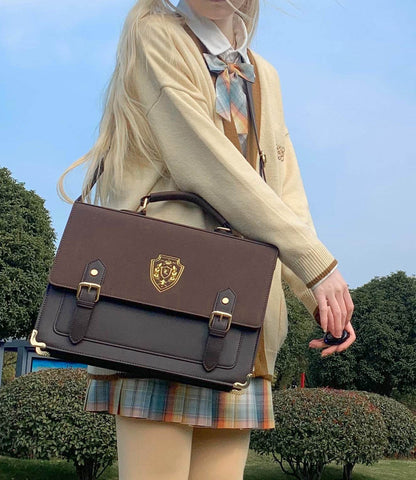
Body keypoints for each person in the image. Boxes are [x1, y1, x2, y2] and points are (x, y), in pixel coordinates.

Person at [57, 1, 356, 479]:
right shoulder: (157, 34)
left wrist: (315, 289)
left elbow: (284, 191)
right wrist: (314, 264)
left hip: (238, 318)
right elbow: (206, 160)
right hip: (160, 306)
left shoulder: (263, 74)